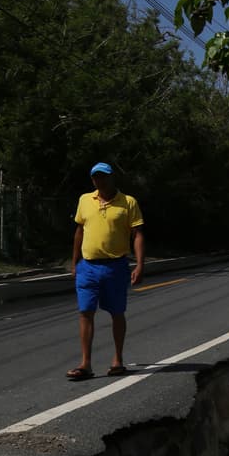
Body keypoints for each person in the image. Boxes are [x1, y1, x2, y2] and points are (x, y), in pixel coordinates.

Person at [67, 162, 145, 381]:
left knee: (116, 312)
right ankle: (85, 364)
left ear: (112, 178)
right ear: (93, 180)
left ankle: (117, 360)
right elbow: (79, 231)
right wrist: (75, 263)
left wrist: (139, 264)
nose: (100, 181)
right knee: (85, 312)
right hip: (88, 267)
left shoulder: (128, 202)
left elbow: (137, 234)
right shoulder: (85, 200)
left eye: (104, 177)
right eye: (96, 177)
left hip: (115, 267)